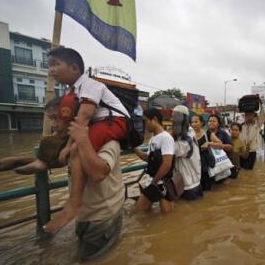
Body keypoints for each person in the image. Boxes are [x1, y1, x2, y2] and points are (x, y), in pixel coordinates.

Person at [43, 48, 129, 233]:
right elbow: (75, 124)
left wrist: (68, 147)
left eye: (56, 64)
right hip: (100, 123)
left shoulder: (89, 85)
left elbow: (82, 119)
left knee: (76, 150)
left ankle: (73, 204)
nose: (51, 70)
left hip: (114, 121)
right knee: (74, 147)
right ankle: (74, 204)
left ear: (74, 68)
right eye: (49, 66)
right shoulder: (72, 91)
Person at [63, 120, 125, 261]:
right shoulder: (72, 145)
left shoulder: (108, 143)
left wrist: (82, 139)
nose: (54, 124)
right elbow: (57, 159)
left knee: (93, 260)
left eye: (56, 118)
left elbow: (98, 173)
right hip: (84, 215)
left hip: (101, 217)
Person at [0, 97, 68, 173]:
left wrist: (19, 161)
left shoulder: (75, 143)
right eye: (51, 119)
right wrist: (17, 160)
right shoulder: (63, 142)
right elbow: (50, 161)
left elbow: (58, 162)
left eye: (57, 118)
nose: (53, 125)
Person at [133, 108, 174, 213]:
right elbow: (148, 158)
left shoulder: (166, 138)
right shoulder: (153, 139)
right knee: (142, 212)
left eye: (146, 121)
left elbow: (167, 164)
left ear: (154, 119)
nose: (145, 124)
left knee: (139, 213)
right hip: (154, 181)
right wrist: (134, 148)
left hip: (160, 181)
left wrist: (154, 182)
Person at [171, 105, 202, 200]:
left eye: (176, 116)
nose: (173, 119)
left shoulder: (188, 136)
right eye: (173, 116)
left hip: (190, 186)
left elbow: (174, 151)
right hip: (185, 182)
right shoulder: (183, 133)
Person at [203, 115, 233, 183]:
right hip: (209, 165)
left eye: (214, 121)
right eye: (210, 121)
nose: (211, 123)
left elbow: (231, 147)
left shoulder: (223, 133)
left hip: (221, 163)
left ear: (218, 123)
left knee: (221, 184)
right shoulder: (204, 133)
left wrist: (219, 146)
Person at [240, 102, 265, 170]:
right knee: (242, 170)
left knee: (248, 170)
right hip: (242, 151)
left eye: (251, 115)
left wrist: (261, 103)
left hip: (252, 152)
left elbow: (263, 114)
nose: (249, 117)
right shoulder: (241, 126)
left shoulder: (257, 125)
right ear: (245, 116)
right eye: (247, 115)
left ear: (254, 116)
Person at [190, 114, 213, 191]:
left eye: (196, 122)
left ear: (202, 123)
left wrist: (209, 143)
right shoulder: (189, 135)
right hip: (193, 167)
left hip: (205, 166)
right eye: (192, 122)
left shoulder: (207, 133)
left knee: (206, 189)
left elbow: (220, 144)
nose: (194, 124)